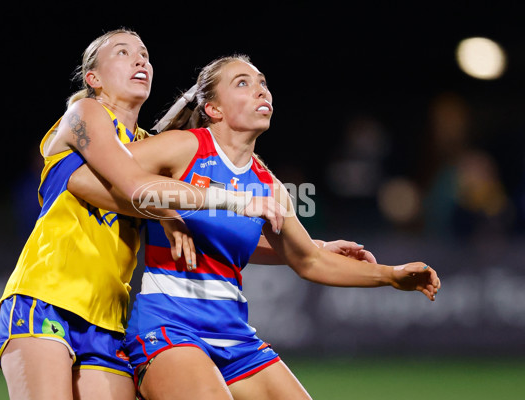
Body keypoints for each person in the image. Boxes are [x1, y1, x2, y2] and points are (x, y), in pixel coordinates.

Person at [73, 54, 441, 399]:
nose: (261, 89)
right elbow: (84, 181)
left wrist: (390, 276)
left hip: (233, 333)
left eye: (262, 83)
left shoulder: (269, 185)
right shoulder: (185, 148)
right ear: (213, 109)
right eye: (243, 83)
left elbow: (309, 261)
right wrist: (167, 214)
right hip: (169, 326)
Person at [0, 29, 288, 400]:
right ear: (93, 79)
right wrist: (233, 200)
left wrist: (314, 250)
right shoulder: (84, 113)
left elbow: (217, 235)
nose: (140, 60)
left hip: (110, 319)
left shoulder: (150, 147)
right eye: (122, 53)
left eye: (145, 55)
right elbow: (133, 186)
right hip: (45, 298)